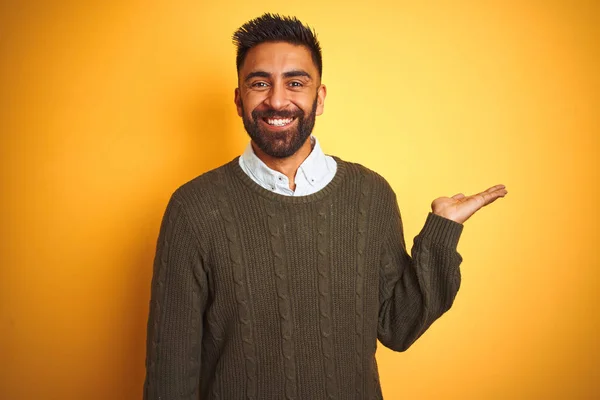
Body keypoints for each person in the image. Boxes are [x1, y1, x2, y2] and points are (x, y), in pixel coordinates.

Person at [143, 13, 507, 400]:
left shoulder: (371, 195)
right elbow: (170, 370)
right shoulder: (193, 208)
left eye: (295, 83)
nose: (277, 99)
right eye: (259, 83)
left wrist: (441, 232)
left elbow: (398, 328)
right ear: (238, 100)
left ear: (319, 99)